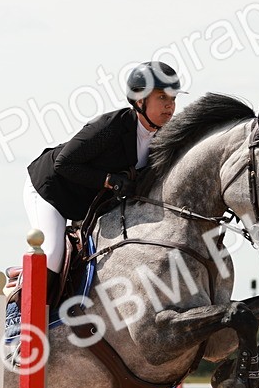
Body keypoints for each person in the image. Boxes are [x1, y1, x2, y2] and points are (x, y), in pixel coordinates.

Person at [24, 61, 182, 298]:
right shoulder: (111, 126)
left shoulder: (163, 139)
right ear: (140, 101)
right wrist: (109, 180)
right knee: (53, 252)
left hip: (88, 203)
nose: (170, 106)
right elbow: (64, 164)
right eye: (162, 97)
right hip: (50, 189)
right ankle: (20, 317)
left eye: (173, 98)